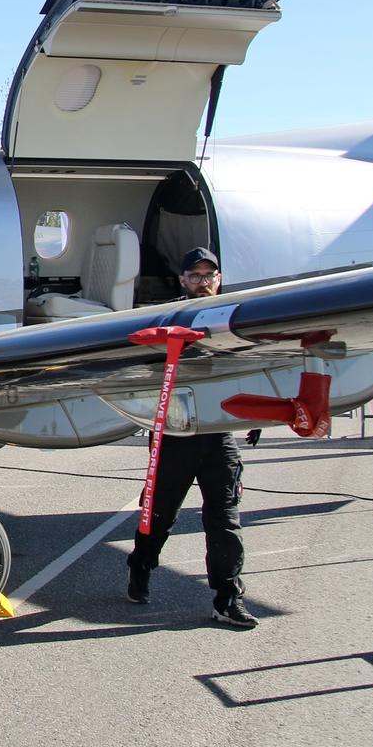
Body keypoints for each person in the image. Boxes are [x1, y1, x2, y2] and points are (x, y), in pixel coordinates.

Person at [124, 247, 257, 629]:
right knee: (159, 517)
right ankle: (141, 566)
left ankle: (228, 598)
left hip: (218, 435)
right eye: (195, 276)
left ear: (219, 278)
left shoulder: (232, 319)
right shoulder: (169, 318)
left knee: (225, 521)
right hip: (175, 434)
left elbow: (247, 365)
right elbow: (144, 369)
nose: (203, 282)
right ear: (182, 280)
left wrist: (258, 413)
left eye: (209, 275)